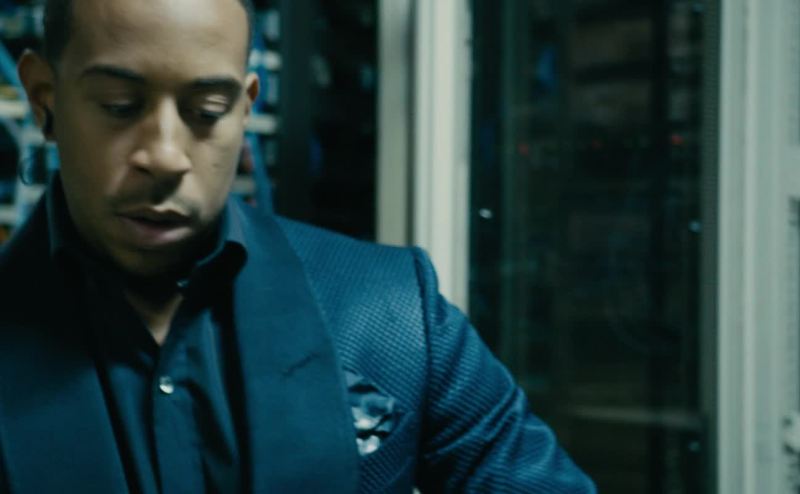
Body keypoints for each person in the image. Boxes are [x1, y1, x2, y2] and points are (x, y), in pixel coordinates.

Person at [0, 0, 596, 492]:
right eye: (119, 106)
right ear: (45, 97)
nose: (164, 155)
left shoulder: (394, 313)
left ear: (245, 107)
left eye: (207, 112)